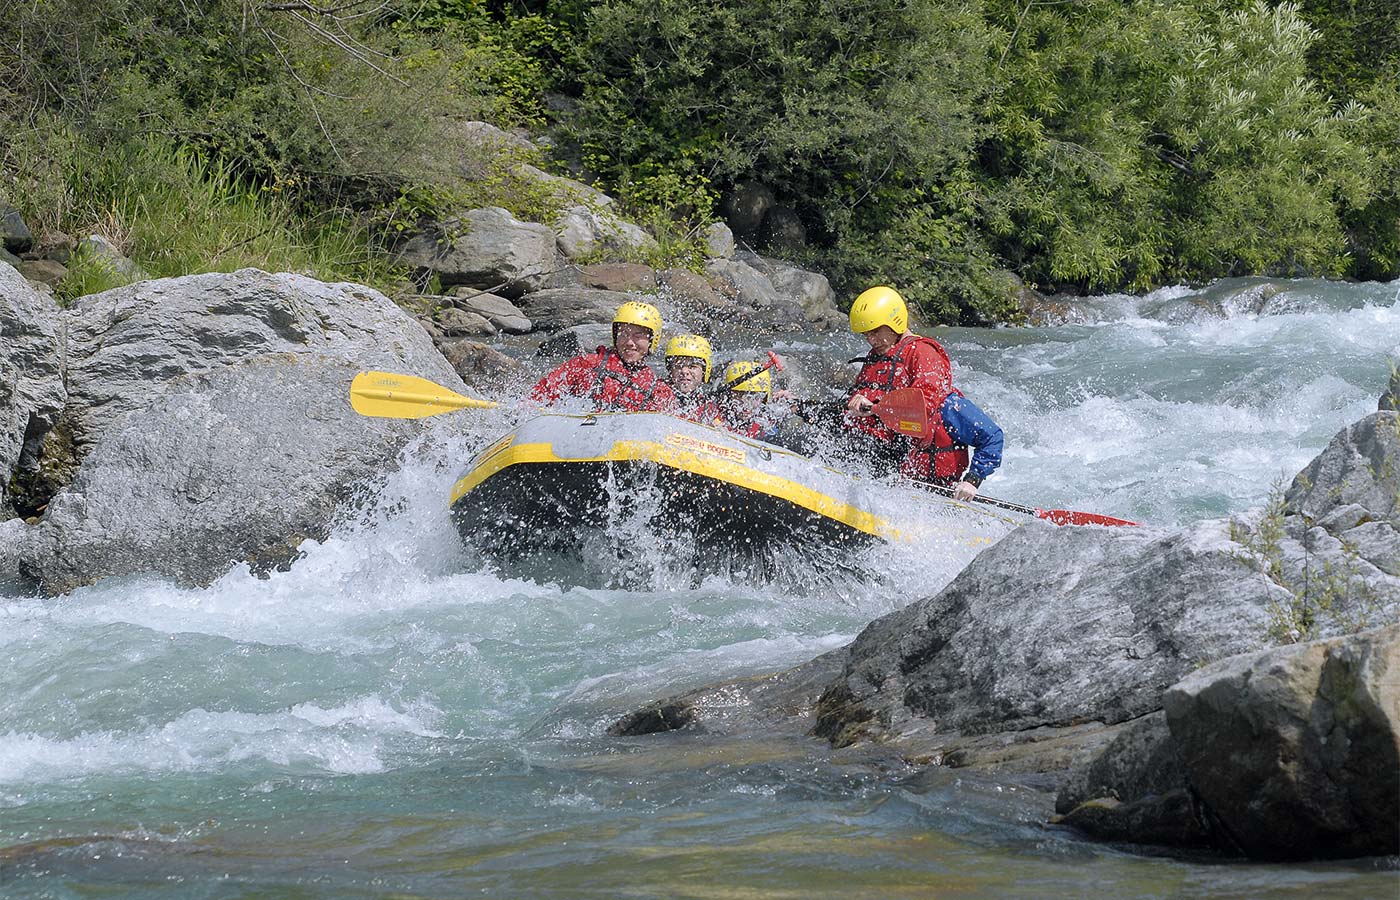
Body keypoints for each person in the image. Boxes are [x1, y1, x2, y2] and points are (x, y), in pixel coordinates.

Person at [842, 285, 1001, 500]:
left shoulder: (945, 406)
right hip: (892, 487)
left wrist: (972, 481)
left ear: (895, 322)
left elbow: (992, 436)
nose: (871, 340)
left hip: (938, 495)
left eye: (876, 331)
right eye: (866, 335)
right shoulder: (877, 387)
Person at [530, 301, 676, 412]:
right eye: (623, 334)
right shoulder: (586, 364)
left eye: (638, 336)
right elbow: (539, 397)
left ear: (652, 341)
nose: (629, 342)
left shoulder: (656, 388)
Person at [663, 334, 723, 424]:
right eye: (678, 366)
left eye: (692, 366)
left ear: (704, 372)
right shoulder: (656, 393)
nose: (684, 371)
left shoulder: (708, 409)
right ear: (670, 370)